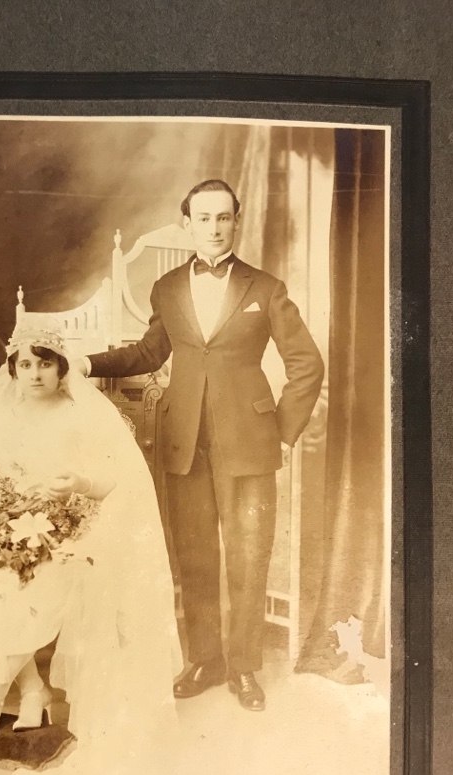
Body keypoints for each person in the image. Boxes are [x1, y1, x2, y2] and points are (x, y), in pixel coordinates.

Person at [79, 179, 324, 711]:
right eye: (203, 218)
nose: (214, 228)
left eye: (223, 218)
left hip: (249, 444)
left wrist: (281, 432)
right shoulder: (166, 287)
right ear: (187, 224)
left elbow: (307, 365)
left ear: (236, 222)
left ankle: (243, 669)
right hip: (183, 443)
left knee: (246, 558)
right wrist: (87, 363)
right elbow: (147, 353)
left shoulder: (266, 287)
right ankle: (205, 660)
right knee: (193, 558)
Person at [0, 315, 183, 756]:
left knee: (38, 588)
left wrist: (77, 483)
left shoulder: (81, 416)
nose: (35, 374)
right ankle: (34, 691)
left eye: (45, 365)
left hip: (73, 528)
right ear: (13, 371)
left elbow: (113, 479)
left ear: (61, 369)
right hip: (11, 527)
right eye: (25, 366)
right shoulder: (2, 418)